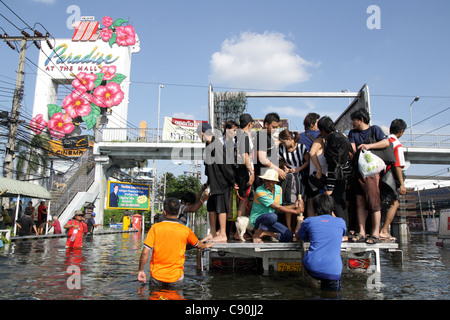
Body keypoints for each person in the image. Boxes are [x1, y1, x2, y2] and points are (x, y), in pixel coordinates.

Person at [137, 198, 213, 286]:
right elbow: (198, 245)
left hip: (156, 277)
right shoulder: (186, 230)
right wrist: (207, 245)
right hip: (176, 278)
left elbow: (145, 252)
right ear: (178, 213)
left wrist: (141, 270)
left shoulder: (155, 228)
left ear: (164, 212)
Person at [348, 108, 389, 243]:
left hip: (371, 172)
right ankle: (362, 231)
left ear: (361, 120)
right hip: (358, 171)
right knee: (359, 201)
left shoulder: (375, 129)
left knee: (373, 202)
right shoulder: (352, 133)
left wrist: (369, 146)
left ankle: (375, 233)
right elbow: (353, 150)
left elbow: (386, 142)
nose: (353, 123)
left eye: (354, 120)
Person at [296, 194, 346, 291]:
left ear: (315, 208)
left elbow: (298, 235)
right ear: (332, 207)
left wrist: (299, 222)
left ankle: (313, 285)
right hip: (332, 270)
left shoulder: (309, 221)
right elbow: (342, 233)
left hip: (312, 266)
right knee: (331, 294)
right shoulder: (340, 222)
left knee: (312, 264)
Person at [197, 122, 235, 243]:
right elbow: (208, 167)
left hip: (221, 182)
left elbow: (226, 165)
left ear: (203, 133)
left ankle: (223, 233)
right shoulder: (208, 146)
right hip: (213, 183)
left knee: (221, 208)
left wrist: (232, 181)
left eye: (199, 134)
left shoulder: (216, 145)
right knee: (211, 207)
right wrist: (208, 182)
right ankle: (212, 233)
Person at [250, 169, 303, 243]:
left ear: (275, 182)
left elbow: (279, 208)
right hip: (257, 220)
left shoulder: (278, 189)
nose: (266, 183)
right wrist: (295, 211)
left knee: (288, 236)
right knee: (273, 216)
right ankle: (257, 233)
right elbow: (276, 207)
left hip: (270, 220)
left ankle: (266, 233)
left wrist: (295, 205)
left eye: (269, 181)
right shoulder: (260, 191)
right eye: (265, 180)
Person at [317, 116, 352, 229]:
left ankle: (343, 229)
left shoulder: (330, 139)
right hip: (346, 173)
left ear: (322, 130)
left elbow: (332, 164)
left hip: (337, 175)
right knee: (342, 201)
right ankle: (346, 227)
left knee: (334, 202)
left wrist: (330, 186)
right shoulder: (343, 136)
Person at [380, 119, 407, 241]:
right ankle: (384, 230)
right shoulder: (397, 145)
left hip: (377, 176)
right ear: (401, 131)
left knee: (376, 204)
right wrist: (401, 184)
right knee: (394, 203)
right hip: (388, 179)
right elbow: (398, 166)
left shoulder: (382, 140)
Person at [278, 129, 310, 231]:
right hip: (288, 179)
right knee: (288, 202)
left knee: (299, 201)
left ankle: (298, 227)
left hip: (300, 178)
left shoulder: (301, 147)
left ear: (290, 139)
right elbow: (282, 161)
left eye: (284, 142)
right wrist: (285, 167)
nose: (283, 144)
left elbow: (308, 161)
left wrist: (298, 169)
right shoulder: (281, 148)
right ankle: (289, 228)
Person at [254, 112, 285, 188]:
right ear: (266, 124)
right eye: (273, 127)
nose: (275, 129)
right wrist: (278, 170)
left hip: (269, 176)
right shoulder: (262, 136)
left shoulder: (268, 136)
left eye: (276, 127)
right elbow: (262, 158)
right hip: (263, 178)